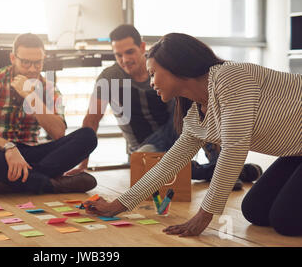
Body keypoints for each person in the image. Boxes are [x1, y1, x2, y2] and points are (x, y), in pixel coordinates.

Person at [85, 33, 301, 237]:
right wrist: (117, 205)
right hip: (296, 152)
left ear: (175, 67)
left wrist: (203, 215)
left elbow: (234, 148)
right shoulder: (195, 115)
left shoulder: (229, 77)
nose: (151, 82)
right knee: (256, 211)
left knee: (285, 221)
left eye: (153, 74)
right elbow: (167, 165)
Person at [66, 25, 255, 191]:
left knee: (194, 104)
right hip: (146, 147)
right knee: (146, 164)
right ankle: (224, 170)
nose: (125, 59)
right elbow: (91, 120)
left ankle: (219, 165)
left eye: (130, 52)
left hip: (177, 131)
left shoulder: (161, 66)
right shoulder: (109, 78)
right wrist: (83, 165)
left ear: (142, 47)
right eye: (118, 55)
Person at [0, 33, 98, 196]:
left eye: (38, 63)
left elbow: (58, 132)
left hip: (35, 155)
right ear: (13, 58)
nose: (32, 69)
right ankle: (50, 184)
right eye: (26, 63)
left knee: (88, 136)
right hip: (1, 153)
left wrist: (31, 97)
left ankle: (5, 182)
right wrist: (9, 147)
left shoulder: (49, 88)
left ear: (44, 59)